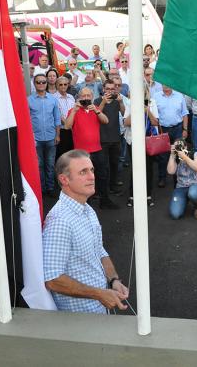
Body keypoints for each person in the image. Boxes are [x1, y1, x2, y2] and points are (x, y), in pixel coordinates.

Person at [42, 150, 129, 313]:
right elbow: (52, 279)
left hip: (98, 308)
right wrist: (99, 294)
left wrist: (113, 280)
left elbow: (99, 250)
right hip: (80, 319)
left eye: (92, 170)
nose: (92, 177)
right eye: (83, 172)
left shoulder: (87, 209)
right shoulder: (59, 221)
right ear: (64, 179)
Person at [63, 88, 116, 209]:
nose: (86, 98)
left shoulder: (95, 109)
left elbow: (106, 121)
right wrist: (74, 111)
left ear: (92, 97)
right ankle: (87, 205)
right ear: (79, 98)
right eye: (84, 96)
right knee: (85, 179)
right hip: (81, 153)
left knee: (102, 175)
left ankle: (105, 201)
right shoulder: (73, 110)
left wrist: (97, 111)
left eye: (88, 96)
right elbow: (67, 126)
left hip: (97, 149)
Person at [123, 88, 159, 207]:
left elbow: (155, 123)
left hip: (148, 140)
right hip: (133, 140)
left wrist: (147, 111)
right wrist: (136, 109)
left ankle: (148, 195)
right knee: (135, 168)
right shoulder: (129, 103)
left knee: (148, 168)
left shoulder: (152, 102)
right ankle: (132, 195)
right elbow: (126, 122)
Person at [28, 73, 61, 196]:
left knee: (50, 164)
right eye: (38, 82)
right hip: (35, 138)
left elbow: (57, 119)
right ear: (34, 83)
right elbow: (27, 121)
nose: (41, 84)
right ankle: (41, 188)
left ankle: (51, 187)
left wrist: (57, 135)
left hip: (51, 137)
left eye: (43, 82)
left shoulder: (53, 99)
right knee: (38, 165)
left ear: (47, 83)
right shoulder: (29, 100)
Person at [153, 86, 189, 187]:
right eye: (163, 83)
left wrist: (185, 129)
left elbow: (185, 113)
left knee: (179, 154)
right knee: (163, 156)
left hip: (177, 128)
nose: (166, 85)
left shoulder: (179, 96)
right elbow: (153, 114)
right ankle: (162, 178)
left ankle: (179, 178)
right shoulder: (155, 97)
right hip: (162, 129)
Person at [95, 80, 125, 192]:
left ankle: (112, 186)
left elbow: (123, 113)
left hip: (116, 137)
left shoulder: (117, 101)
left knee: (114, 164)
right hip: (102, 138)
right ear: (103, 89)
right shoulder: (97, 100)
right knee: (102, 166)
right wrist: (103, 102)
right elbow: (96, 115)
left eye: (112, 89)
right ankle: (102, 189)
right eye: (108, 89)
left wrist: (121, 102)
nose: (110, 91)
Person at [167, 139, 197, 219]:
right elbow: (170, 171)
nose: (179, 148)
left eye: (180, 146)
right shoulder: (175, 157)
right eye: (177, 146)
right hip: (181, 187)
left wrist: (185, 157)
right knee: (175, 214)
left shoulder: (195, 154)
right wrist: (172, 155)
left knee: (193, 194)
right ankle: (185, 199)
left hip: (195, 184)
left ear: (186, 147)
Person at [53, 76, 76, 160]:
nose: (63, 86)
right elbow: (57, 115)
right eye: (61, 84)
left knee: (72, 154)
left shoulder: (71, 97)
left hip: (73, 130)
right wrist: (68, 124)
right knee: (62, 155)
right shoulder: (53, 98)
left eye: (65, 84)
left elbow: (75, 112)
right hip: (62, 130)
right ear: (56, 85)